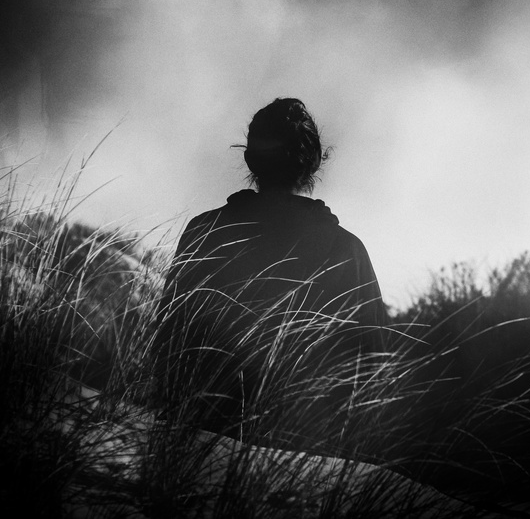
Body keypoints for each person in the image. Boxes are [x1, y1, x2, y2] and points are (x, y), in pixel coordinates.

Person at [153, 98, 388, 453]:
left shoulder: (204, 231)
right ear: (313, 163)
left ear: (250, 159)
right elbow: (372, 366)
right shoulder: (347, 250)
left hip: (195, 442)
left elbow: (168, 341)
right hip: (303, 452)